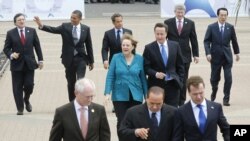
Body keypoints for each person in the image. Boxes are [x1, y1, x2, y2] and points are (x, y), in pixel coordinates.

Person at [33, 10, 94, 102]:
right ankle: (72, 102)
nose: (72, 20)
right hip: (68, 59)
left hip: (81, 58)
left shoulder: (86, 28)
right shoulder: (65, 26)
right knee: (71, 83)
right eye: (71, 18)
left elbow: (89, 45)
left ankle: (80, 101)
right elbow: (53, 30)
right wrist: (41, 25)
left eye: (74, 18)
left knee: (80, 81)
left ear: (80, 19)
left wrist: (91, 61)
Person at [104, 33, 148, 141]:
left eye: (127, 45)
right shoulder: (115, 57)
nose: (125, 47)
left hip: (136, 94)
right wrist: (107, 93)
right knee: (122, 121)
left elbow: (143, 78)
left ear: (132, 47)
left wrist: (147, 95)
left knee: (135, 120)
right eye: (123, 45)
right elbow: (110, 76)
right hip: (119, 95)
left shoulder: (139, 59)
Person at [3, 13, 44, 115]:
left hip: (30, 63)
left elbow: (37, 46)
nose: (21, 21)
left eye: (23, 19)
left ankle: (26, 99)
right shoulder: (10, 33)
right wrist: (11, 55)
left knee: (29, 85)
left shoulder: (32, 31)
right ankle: (20, 108)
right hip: (17, 65)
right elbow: (6, 48)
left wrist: (40, 60)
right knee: (17, 87)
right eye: (19, 20)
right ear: (15, 23)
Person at [173, 76, 230, 141]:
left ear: (204, 89)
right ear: (189, 93)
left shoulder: (216, 108)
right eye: (195, 94)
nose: (199, 97)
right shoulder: (181, 112)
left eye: (201, 93)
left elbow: (226, 129)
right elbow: (177, 137)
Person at [164, 4, 199, 106]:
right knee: (171, 78)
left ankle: (181, 101)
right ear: (174, 12)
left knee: (183, 79)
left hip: (185, 56)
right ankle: (171, 99)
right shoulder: (168, 22)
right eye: (178, 12)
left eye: (181, 12)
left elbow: (193, 39)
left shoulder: (190, 23)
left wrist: (196, 54)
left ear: (184, 12)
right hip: (171, 55)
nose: (180, 14)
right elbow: (164, 38)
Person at [204, 7, 240, 106]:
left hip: (227, 57)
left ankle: (226, 99)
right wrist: (208, 53)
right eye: (221, 15)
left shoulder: (230, 27)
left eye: (225, 15)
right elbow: (206, 41)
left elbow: (234, 40)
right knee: (214, 79)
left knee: (228, 78)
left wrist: (237, 53)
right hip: (215, 57)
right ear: (218, 15)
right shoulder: (211, 27)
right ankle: (214, 90)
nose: (223, 17)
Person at [143, 23, 185, 107]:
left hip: (173, 85)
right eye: (157, 34)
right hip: (156, 85)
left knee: (173, 111)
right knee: (156, 109)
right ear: (154, 33)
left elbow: (180, 65)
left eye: (162, 34)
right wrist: (155, 74)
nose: (159, 36)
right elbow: (146, 67)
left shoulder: (175, 45)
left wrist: (180, 80)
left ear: (166, 33)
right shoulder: (149, 48)